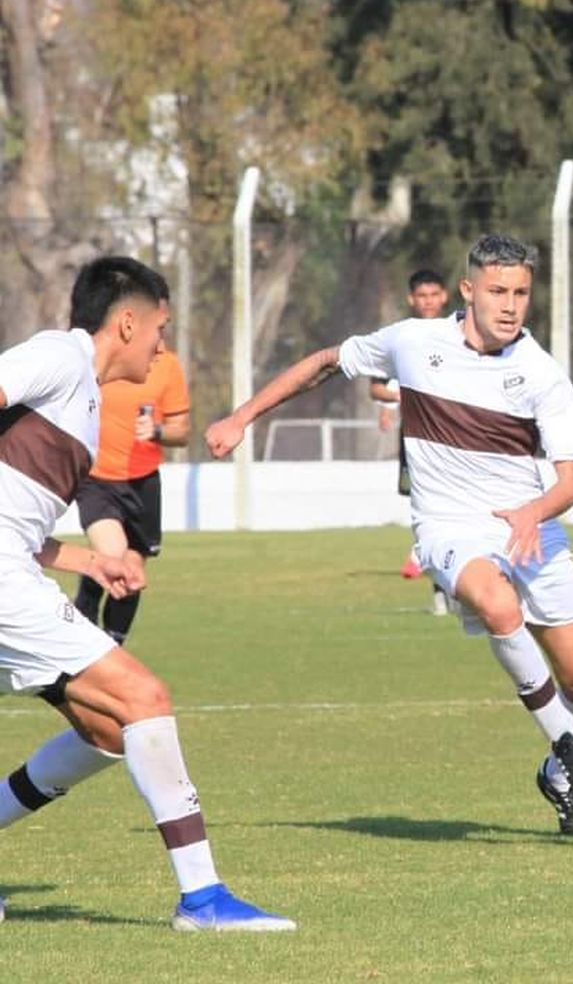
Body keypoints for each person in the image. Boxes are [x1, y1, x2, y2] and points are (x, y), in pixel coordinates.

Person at [205, 234, 573, 838]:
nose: (510, 304)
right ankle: (569, 746)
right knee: (496, 604)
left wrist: (534, 511)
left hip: (531, 525)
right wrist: (241, 416)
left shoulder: (542, 375)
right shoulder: (413, 341)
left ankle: (558, 773)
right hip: (449, 525)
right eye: (497, 290)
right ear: (467, 291)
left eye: (521, 292)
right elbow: (324, 363)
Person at [0, 256, 293, 930]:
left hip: (14, 568)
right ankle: (203, 899)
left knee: (105, 731)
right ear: (126, 321)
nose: (163, 345)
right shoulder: (59, 356)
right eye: (159, 328)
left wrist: (87, 560)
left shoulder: (86, 401)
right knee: (143, 700)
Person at [71, 345, 190, 643]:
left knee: (132, 577)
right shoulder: (101, 359)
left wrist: (158, 430)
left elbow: (182, 432)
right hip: (96, 479)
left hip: (143, 483)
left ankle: (112, 647)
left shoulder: (167, 365)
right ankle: (83, 618)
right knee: (112, 555)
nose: (159, 332)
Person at [370, 268, 454, 613]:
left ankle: (446, 573)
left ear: (445, 296)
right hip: (417, 440)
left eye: (434, 295)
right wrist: (398, 401)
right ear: (411, 299)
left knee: (456, 506)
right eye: (422, 296)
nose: (429, 301)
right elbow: (376, 385)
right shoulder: (400, 339)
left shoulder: (459, 333)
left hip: (458, 438)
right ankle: (438, 586)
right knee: (426, 505)